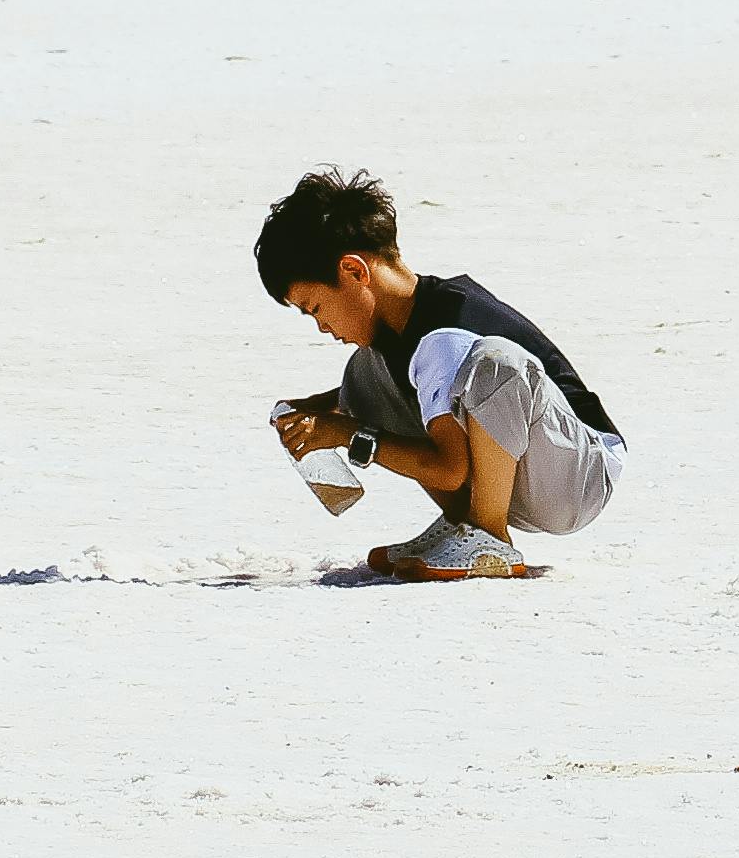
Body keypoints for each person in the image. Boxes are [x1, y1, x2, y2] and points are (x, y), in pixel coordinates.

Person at [251, 169, 627, 582]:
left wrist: (348, 435)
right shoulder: (400, 332)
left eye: (315, 308)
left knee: (494, 362)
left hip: (577, 476)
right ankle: (463, 522)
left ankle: (489, 535)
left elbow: (450, 470)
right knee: (361, 376)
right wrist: (315, 412)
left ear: (355, 272)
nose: (321, 326)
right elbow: (411, 386)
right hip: (529, 464)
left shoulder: (445, 331)